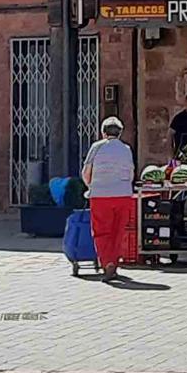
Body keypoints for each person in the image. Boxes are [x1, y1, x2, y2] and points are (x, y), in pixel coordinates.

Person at [81, 116, 136, 283]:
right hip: (123, 195)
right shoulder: (126, 149)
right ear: (120, 133)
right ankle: (114, 263)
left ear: (103, 132)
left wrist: (91, 186)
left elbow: (86, 171)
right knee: (118, 231)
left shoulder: (96, 147)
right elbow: (131, 172)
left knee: (102, 232)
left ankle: (108, 264)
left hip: (101, 196)